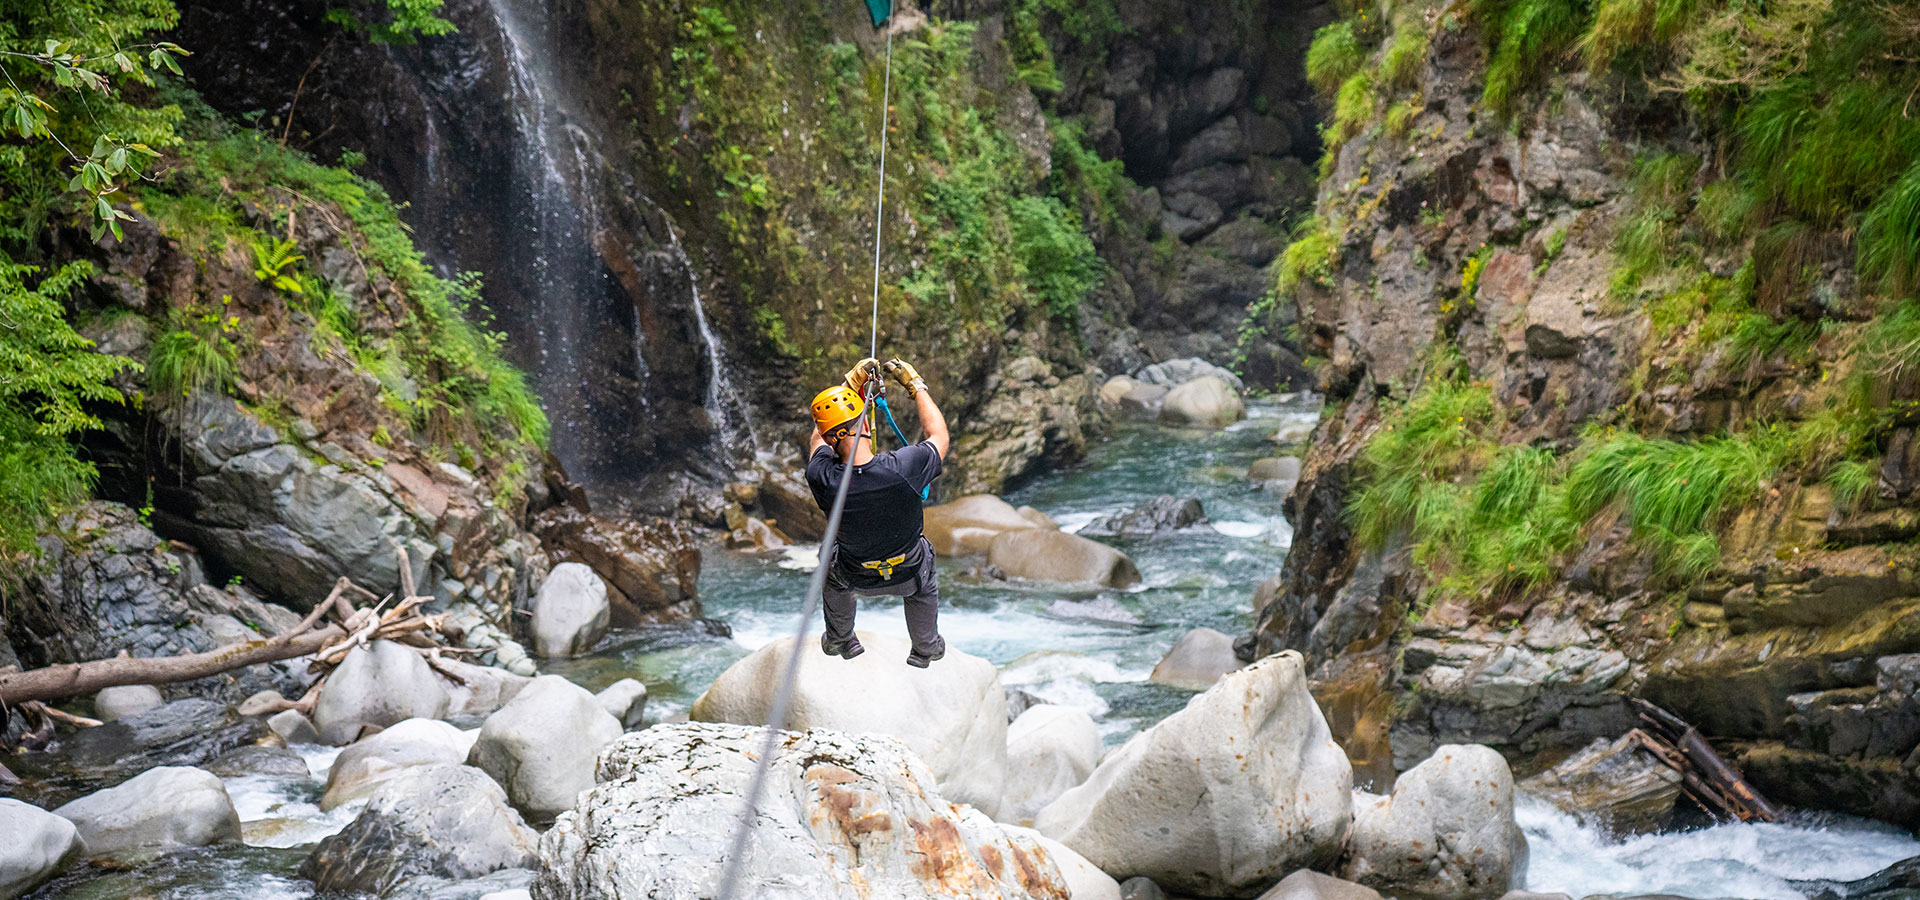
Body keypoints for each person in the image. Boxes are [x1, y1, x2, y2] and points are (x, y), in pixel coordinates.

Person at [804, 357, 950, 667]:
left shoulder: (822, 477)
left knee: (828, 557)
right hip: (908, 571)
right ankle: (926, 647)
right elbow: (938, 436)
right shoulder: (904, 467)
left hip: (855, 573)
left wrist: (850, 385)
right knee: (923, 564)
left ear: (831, 440)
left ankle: (841, 638)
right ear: (867, 424)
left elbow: (818, 438)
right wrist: (916, 386)